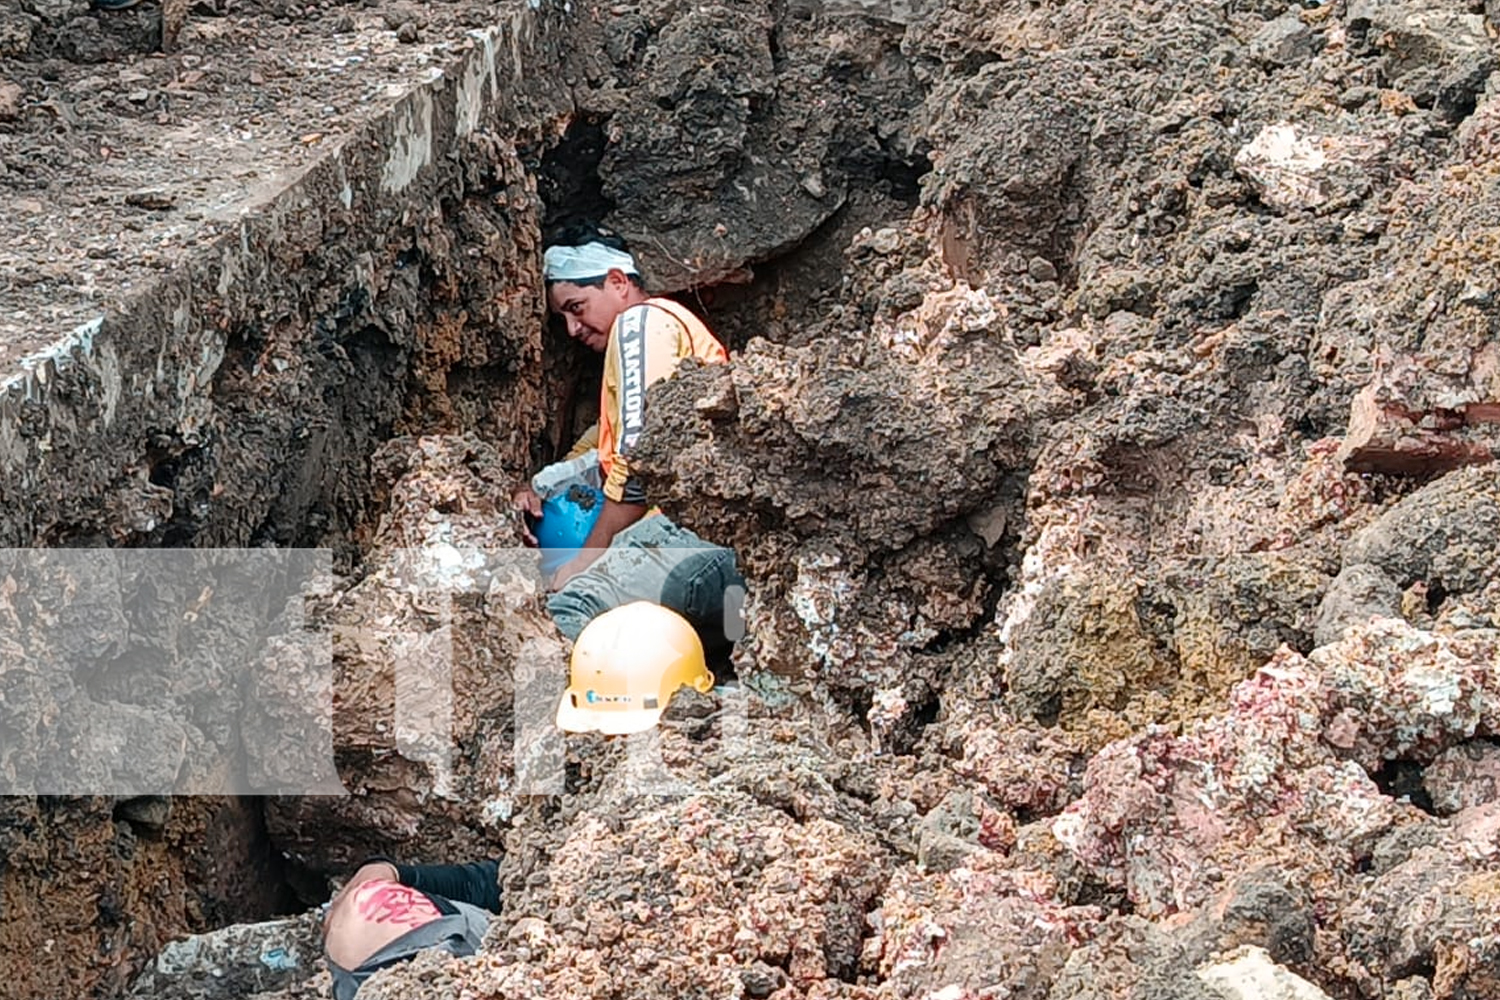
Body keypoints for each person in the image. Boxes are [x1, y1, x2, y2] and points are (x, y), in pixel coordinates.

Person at [511, 225, 742, 644]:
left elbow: (636, 465)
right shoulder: (669, 337)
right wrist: (537, 486)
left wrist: (585, 561)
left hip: (690, 539)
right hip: (723, 557)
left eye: (576, 307)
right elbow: (600, 448)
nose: (572, 329)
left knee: (568, 609)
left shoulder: (641, 322)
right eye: (563, 317)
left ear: (617, 282)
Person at [322, 857, 500, 1000]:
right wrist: (396, 873)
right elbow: (485, 883)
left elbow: (484, 884)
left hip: (433, 941)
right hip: (432, 932)